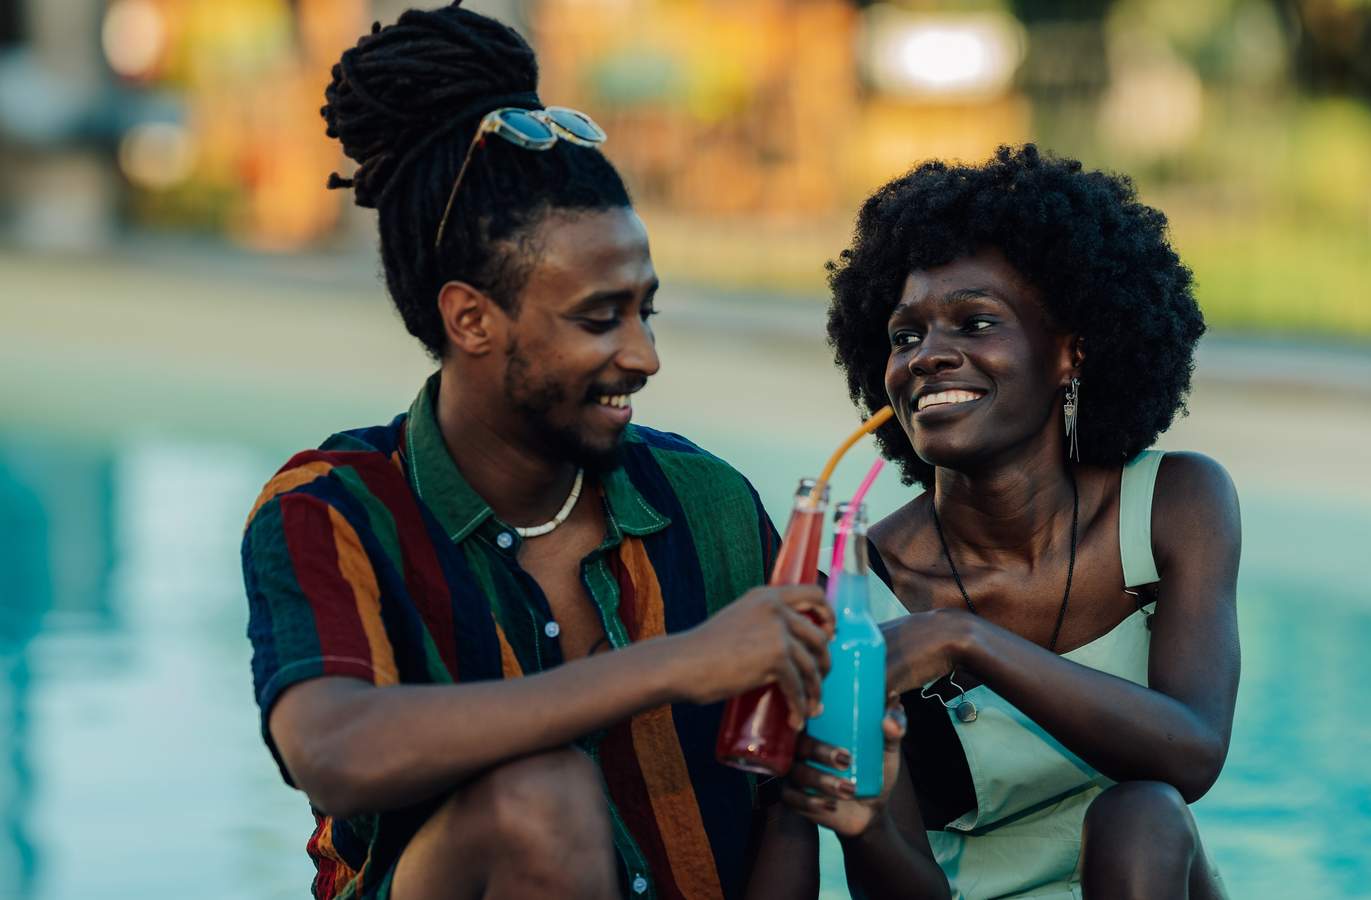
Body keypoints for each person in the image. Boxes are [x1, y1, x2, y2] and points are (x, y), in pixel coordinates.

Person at [241, 4, 835, 898]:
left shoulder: (708, 502)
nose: (644, 355)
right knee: (539, 795)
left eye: (647, 309)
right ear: (470, 319)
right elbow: (332, 750)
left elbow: (780, 814)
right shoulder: (333, 510)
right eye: (601, 318)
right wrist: (679, 661)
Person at [781, 145, 1241, 899]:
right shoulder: (862, 595)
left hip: (1152, 874)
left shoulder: (1174, 503)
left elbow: (1191, 755)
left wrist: (965, 639)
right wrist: (861, 824)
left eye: (974, 323)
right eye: (905, 336)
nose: (929, 356)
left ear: (1071, 353)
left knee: (1142, 812)